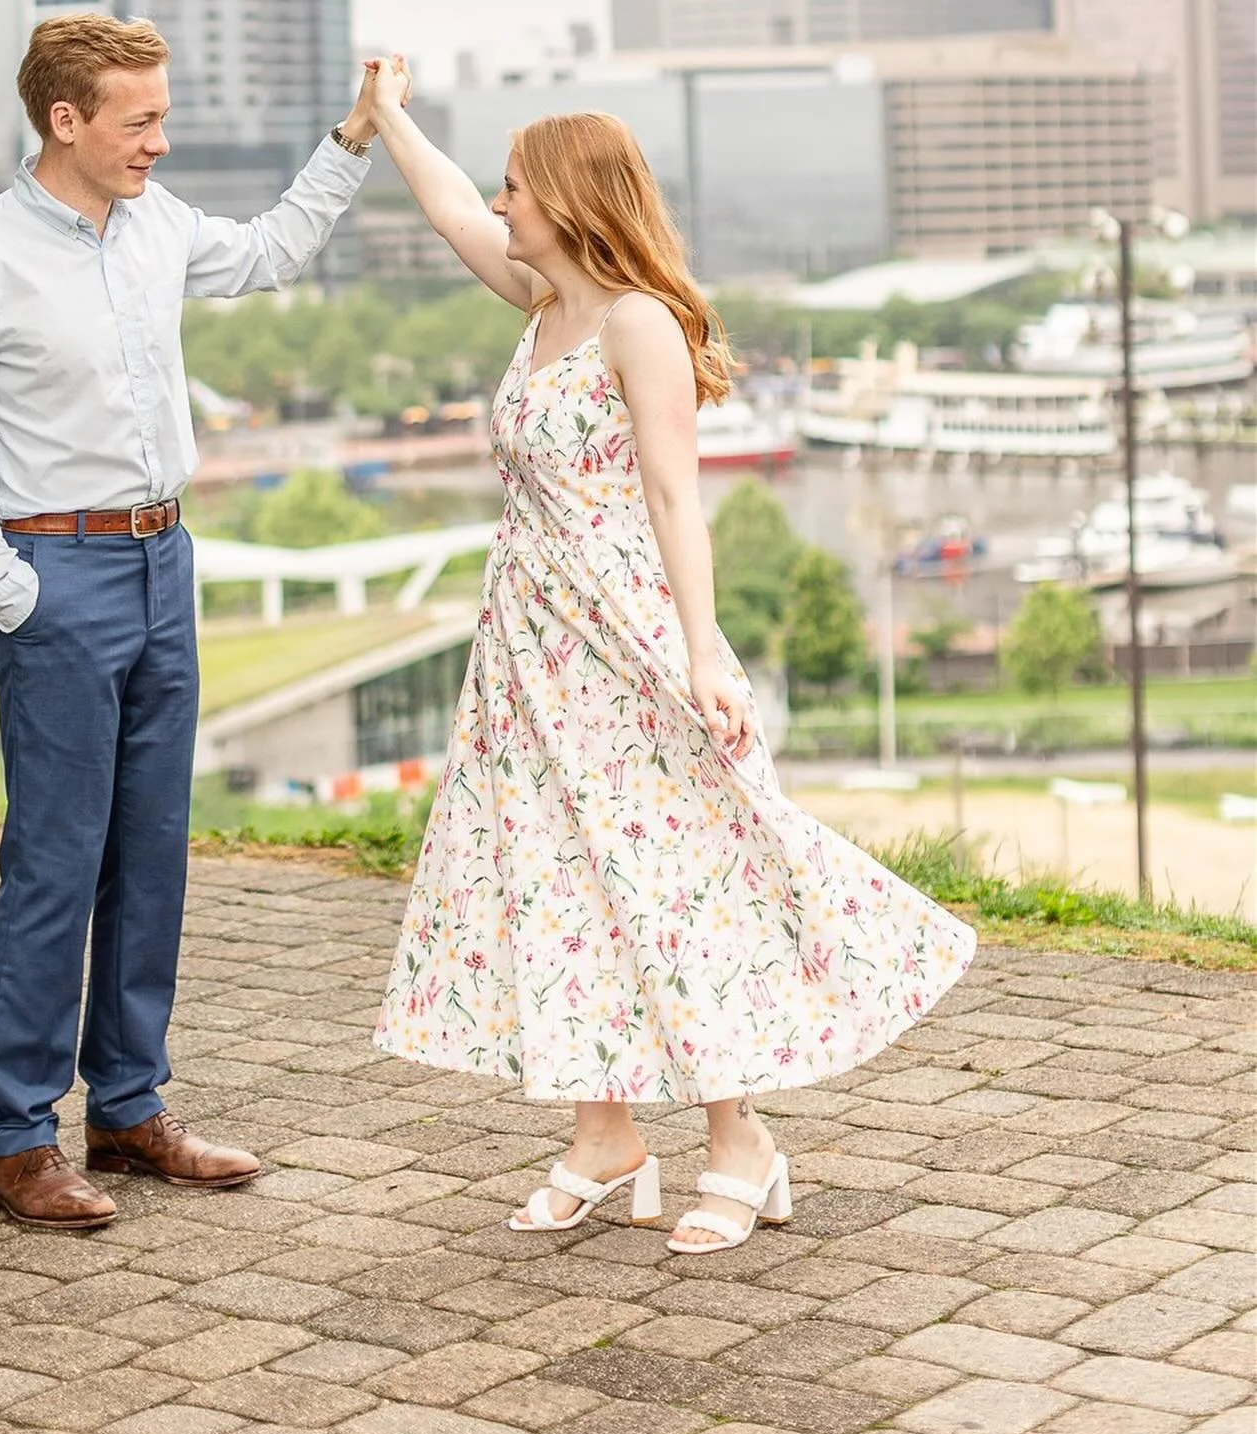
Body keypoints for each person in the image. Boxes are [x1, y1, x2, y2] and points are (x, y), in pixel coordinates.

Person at [365, 70, 975, 1252]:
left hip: (621, 636)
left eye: (516, 187)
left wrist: (702, 655)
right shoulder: (542, 299)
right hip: (527, 650)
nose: (498, 202)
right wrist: (385, 113)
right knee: (553, 876)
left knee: (673, 879)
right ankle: (606, 1141)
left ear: (569, 198)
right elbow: (445, 208)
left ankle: (739, 1137)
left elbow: (670, 496)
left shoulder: (636, 321)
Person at [0, 12, 379, 1231]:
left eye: (161, 115)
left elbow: (268, 253)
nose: (160, 140)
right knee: (55, 867)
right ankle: (15, 1143)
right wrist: (10, 591)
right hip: (57, 575)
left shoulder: (155, 229)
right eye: (140, 120)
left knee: (150, 854)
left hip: (166, 563)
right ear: (66, 121)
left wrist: (351, 138)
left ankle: (126, 1111)